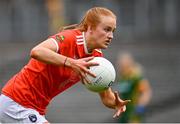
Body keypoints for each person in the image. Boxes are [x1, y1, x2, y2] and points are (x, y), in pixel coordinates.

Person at [0, 7, 130, 123]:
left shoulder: (97, 59)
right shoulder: (70, 38)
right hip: (17, 101)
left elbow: (106, 97)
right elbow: (37, 51)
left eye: (113, 31)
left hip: (35, 108)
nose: (111, 36)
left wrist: (115, 103)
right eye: (106, 29)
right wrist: (71, 62)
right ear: (90, 27)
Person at [116, 53, 152, 123]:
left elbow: (146, 92)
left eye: (123, 64)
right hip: (123, 114)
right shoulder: (122, 78)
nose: (120, 66)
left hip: (133, 114)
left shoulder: (136, 77)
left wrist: (140, 106)